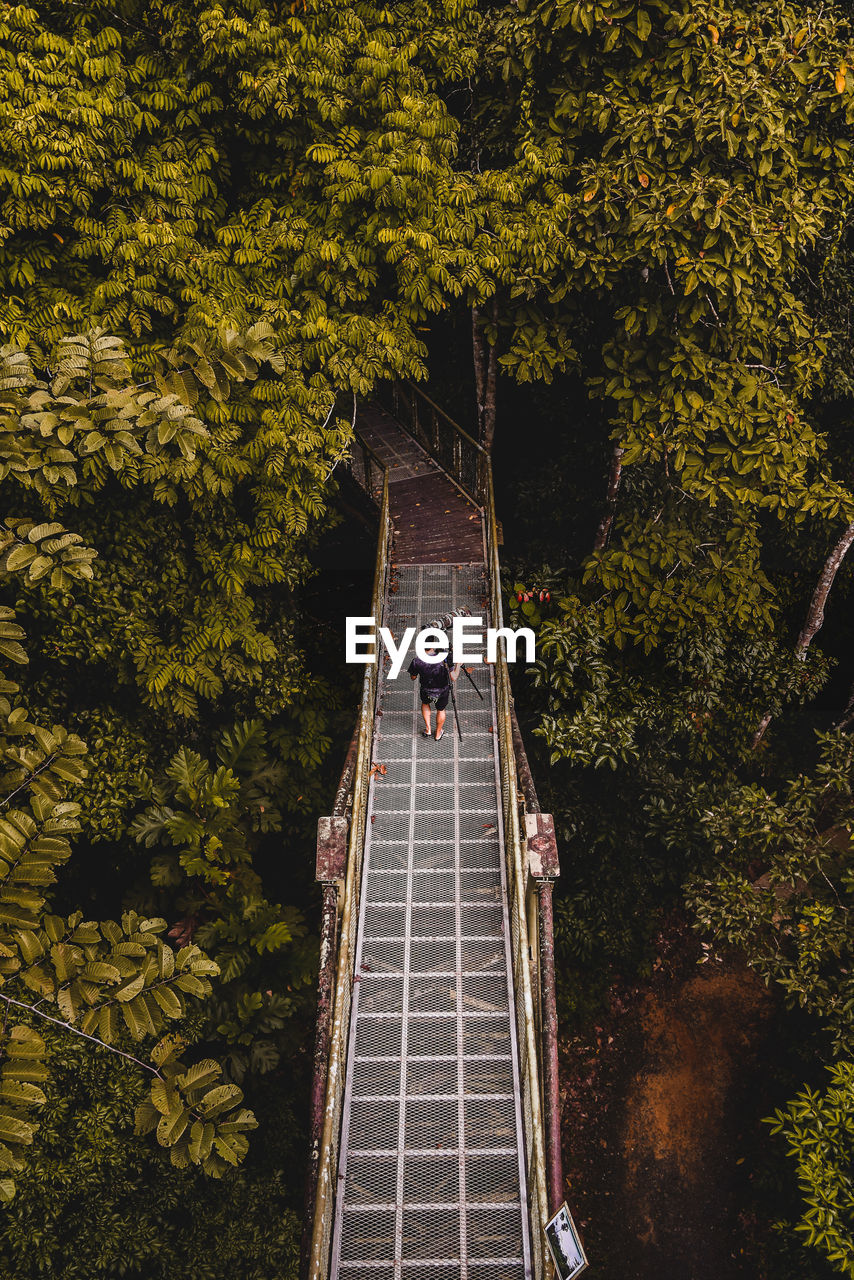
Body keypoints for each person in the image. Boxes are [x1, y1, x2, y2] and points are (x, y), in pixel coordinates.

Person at [407, 641, 460, 740]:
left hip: (426, 690)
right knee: (441, 710)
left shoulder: (417, 661)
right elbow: (453, 677)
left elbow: (413, 677)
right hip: (442, 691)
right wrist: (458, 665)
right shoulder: (444, 658)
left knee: (425, 704)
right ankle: (438, 733)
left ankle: (428, 729)